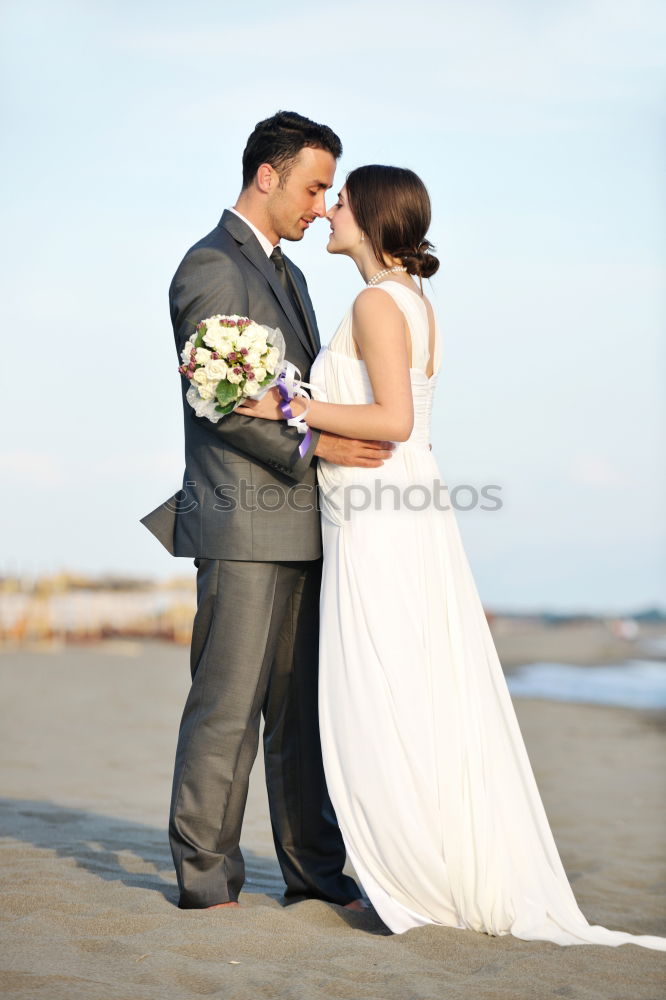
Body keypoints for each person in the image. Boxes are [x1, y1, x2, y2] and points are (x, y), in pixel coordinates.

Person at [235, 164, 666, 949]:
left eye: (340, 201)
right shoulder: (411, 301)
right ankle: (413, 858)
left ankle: (411, 872)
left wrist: (288, 404)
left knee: (385, 688)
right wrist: (311, 418)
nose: (328, 211)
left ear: (368, 217)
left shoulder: (375, 301)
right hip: (394, 503)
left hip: (379, 512)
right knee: (408, 684)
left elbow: (393, 418)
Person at [140, 112, 394, 911]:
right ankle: (207, 880)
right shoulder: (211, 266)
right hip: (242, 523)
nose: (324, 205)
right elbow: (219, 400)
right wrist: (317, 451)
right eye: (315, 187)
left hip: (305, 528)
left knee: (299, 715)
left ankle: (314, 874)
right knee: (226, 709)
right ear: (267, 175)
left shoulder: (293, 276)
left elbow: (300, 395)